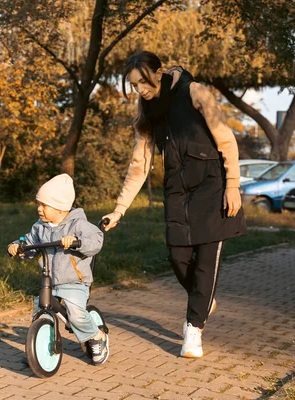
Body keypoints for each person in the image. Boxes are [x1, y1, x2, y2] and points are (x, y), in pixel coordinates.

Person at [102, 51, 247, 358]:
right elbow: (139, 165)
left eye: (143, 81)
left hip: (212, 188)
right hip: (177, 193)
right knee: (177, 256)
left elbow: (226, 139)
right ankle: (203, 297)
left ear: (159, 72)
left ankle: (193, 329)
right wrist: (119, 209)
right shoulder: (147, 112)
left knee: (207, 261)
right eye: (133, 85)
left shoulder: (194, 92)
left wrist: (232, 186)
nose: (140, 89)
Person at [8, 173, 109, 365]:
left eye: (44, 205)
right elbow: (29, 242)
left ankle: (96, 336)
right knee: (39, 309)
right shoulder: (40, 227)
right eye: (38, 204)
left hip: (74, 281)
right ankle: (37, 347)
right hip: (50, 281)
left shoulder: (77, 224)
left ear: (61, 207)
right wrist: (17, 246)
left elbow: (96, 240)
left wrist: (76, 242)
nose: (39, 209)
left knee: (76, 313)